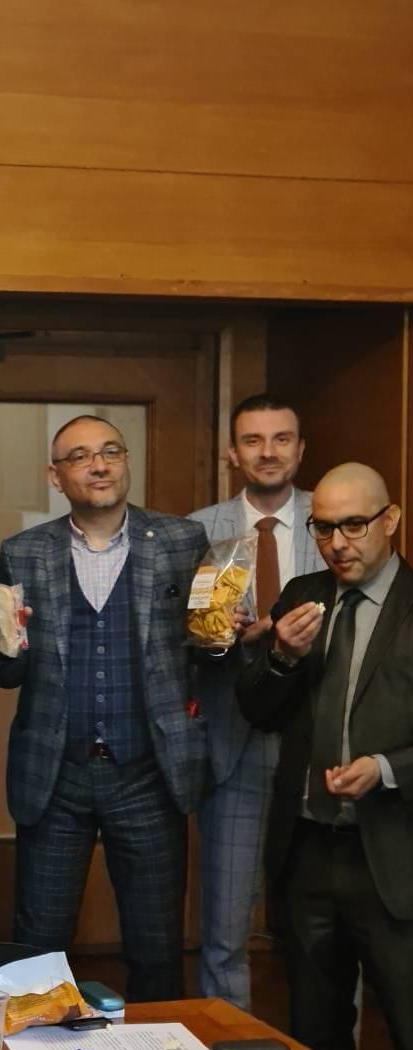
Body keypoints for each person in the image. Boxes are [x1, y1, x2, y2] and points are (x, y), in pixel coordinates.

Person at [0, 414, 207, 1002]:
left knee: (157, 947)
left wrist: (227, 632)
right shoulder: (23, 552)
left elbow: (209, 649)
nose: (99, 465)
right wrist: (1, 641)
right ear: (55, 476)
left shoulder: (181, 541)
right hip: (55, 776)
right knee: (39, 946)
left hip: (149, 773)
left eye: (111, 451)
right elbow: (8, 675)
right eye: (80, 456)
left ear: (127, 461)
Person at [238, 462, 413, 1050]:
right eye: (324, 528)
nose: (337, 543)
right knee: (315, 1039)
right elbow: (257, 710)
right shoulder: (302, 595)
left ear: (390, 520)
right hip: (308, 850)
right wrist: (282, 657)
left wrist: (386, 769)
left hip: (392, 857)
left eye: (354, 525)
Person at [189, 394, 325, 1009]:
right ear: (232, 452)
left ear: (301, 448)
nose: (267, 452)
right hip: (234, 746)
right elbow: (189, 646)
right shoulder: (200, 529)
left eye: (281, 439)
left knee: (324, 933)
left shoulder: (334, 520)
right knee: (224, 933)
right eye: (253, 440)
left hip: (318, 745)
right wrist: (222, 637)